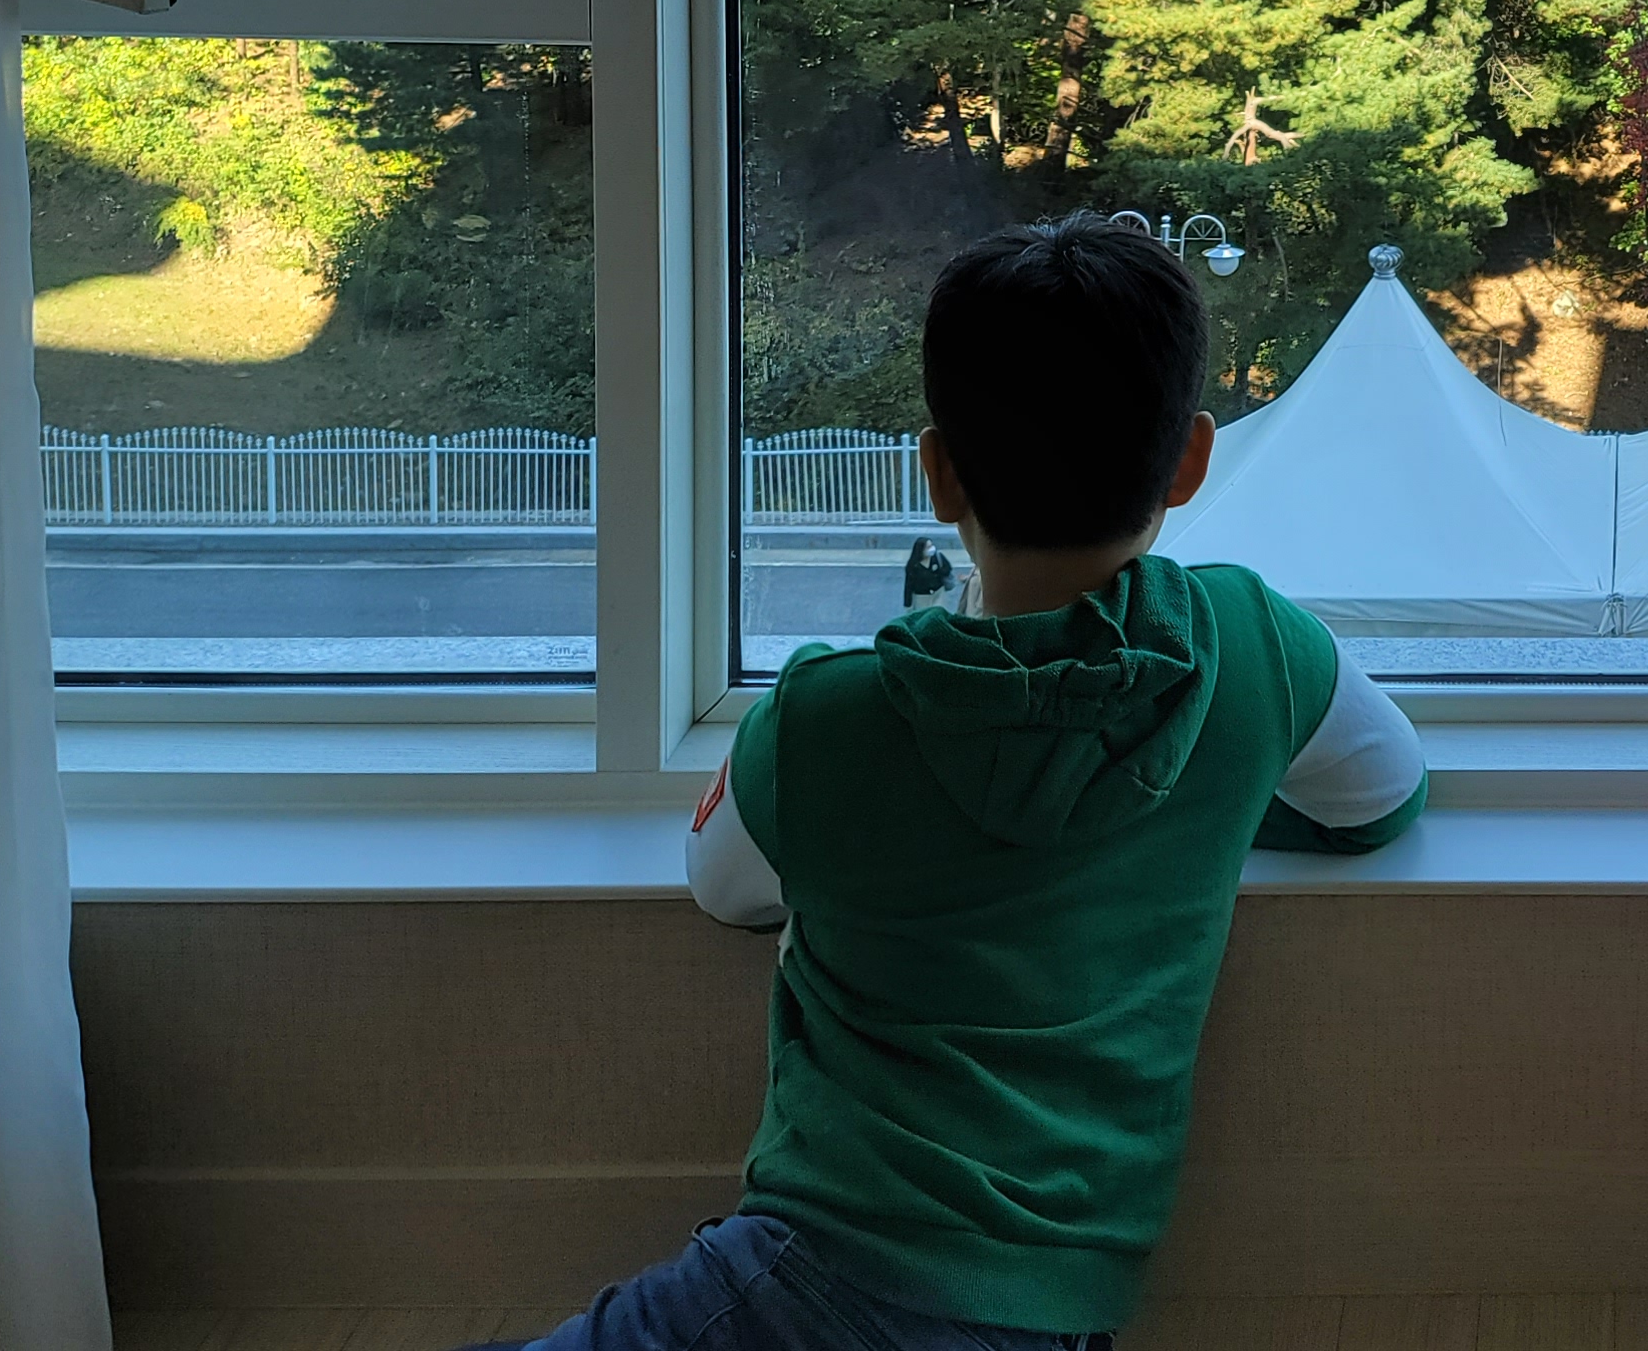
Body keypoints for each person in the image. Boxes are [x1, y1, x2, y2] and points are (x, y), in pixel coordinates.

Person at [497, 217, 1428, 1351]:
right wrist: (1209, 809)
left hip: (814, 1279)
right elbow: (1381, 799)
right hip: (1056, 1319)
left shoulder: (828, 717)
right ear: (1191, 460)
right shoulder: (1252, 648)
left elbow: (725, 886)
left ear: (938, 473)